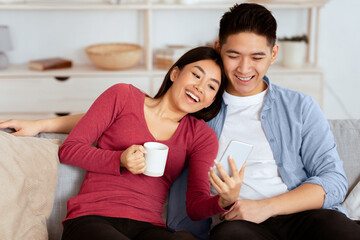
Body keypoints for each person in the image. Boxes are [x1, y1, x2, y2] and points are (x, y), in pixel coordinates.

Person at [0, 46, 244, 240]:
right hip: (92, 218)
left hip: (148, 227)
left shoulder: (201, 137)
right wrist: (120, 159)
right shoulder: (123, 96)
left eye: (211, 86)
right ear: (175, 73)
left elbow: (195, 206)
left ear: (211, 100)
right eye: (196, 74)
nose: (200, 87)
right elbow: (70, 150)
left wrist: (224, 200)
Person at [168, 3, 360, 240]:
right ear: (218, 49)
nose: (244, 68)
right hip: (238, 224)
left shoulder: (300, 107)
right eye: (233, 55)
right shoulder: (199, 109)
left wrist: (266, 206)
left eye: (257, 57)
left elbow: (334, 181)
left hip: (303, 216)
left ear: (274, 54)